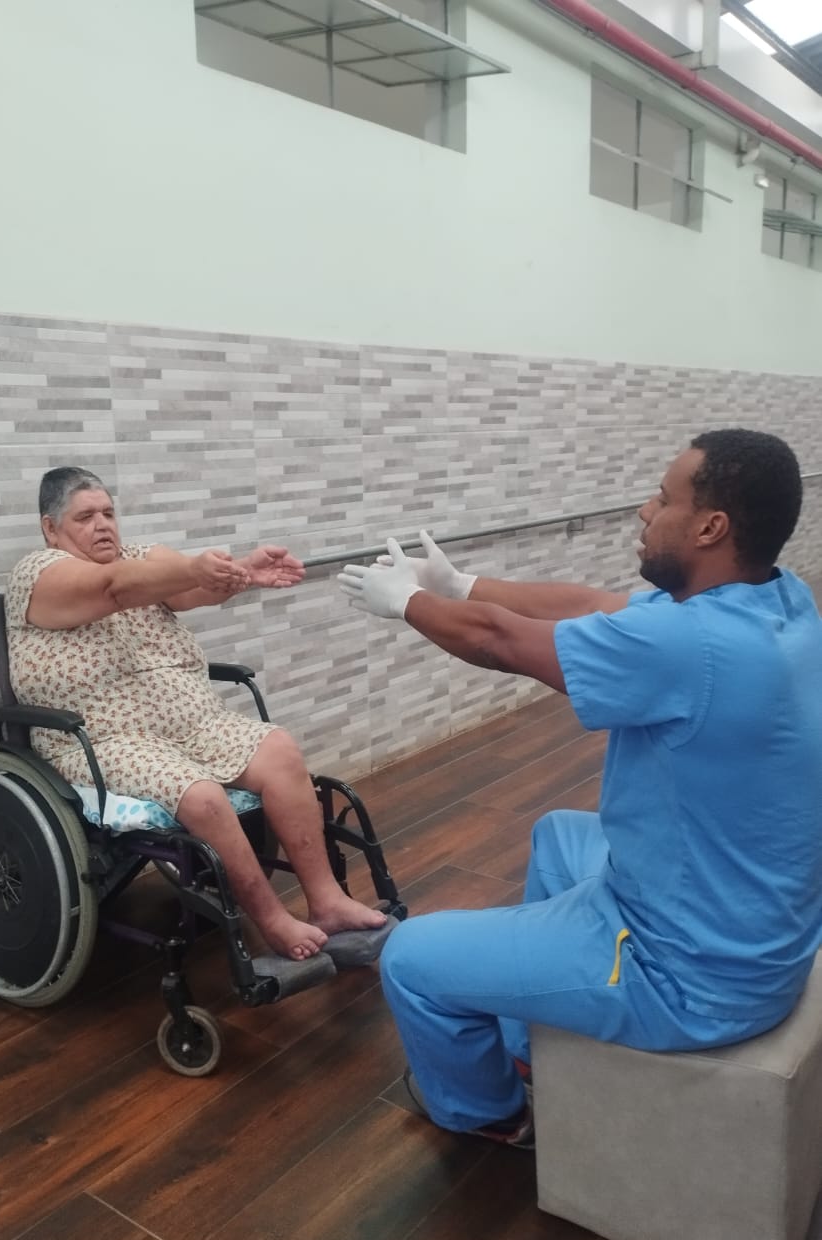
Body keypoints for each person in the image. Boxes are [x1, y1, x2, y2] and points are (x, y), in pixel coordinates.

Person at [338, 428, 822, 1147]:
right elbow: (590, 601)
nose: (644, 510)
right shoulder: (778, 600)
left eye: (663, 498)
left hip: (688, 978)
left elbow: (499, 642)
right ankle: (528, 1048)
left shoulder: (693, 646)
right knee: (560, 835)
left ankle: (492, 1115)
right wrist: (460, 586)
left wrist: (407, 602)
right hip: (751, 930)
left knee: (411, 958)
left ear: (709, 527)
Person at [6, 466, 387, 963]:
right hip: (106, 740)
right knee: (201, 794)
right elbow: (112, 589)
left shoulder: (139, 559)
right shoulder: (39, 573)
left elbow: (190, 589)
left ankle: (328, 901)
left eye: (108, 513)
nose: (103, 525)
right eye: (85, 517)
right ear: (51, 528)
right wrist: (192, 569)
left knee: (279, 750)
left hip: (192, 723)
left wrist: (240, 572)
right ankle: (270, 918)